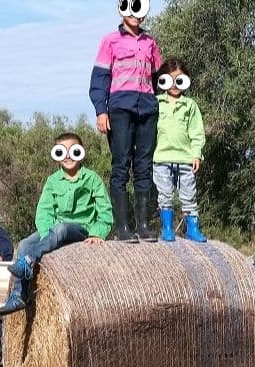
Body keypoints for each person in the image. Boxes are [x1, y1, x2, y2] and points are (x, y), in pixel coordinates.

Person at [0, 132, 113, 316]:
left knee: (61, 229)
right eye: (62, 152)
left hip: (81, 229)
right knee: (25, 243)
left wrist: (98, 232)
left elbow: (105, 210)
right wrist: (48, 237)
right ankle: (19, 294)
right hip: (54, 231)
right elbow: (43, 212)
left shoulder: (92, 179)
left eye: (73, 151)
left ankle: (29, 260)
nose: (68, 156)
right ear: (56, 156)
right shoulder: (52, 181)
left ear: (81, 152)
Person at [89, 0, 161, 243]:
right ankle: (123, 227)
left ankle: (143, 225)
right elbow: (99, 79)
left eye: (140, 11)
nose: (136, 15)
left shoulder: (151, 43)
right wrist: (101, 110)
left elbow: (157, 80)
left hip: (147, 108)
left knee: (144, 166)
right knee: (121, 165)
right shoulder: (110, 41)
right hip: (120, 107)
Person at [153, 58, 207, 242]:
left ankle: (192, 228)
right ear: (162, 80)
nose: (175, 84)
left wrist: (196, 153)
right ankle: (167, 228)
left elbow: (197, 132)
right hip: (161, 158)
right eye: (170, 79)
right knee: (165, 195)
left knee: (189, 195)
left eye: (180, 80)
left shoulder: (190, 105)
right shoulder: (155, 103)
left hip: (185, 159)